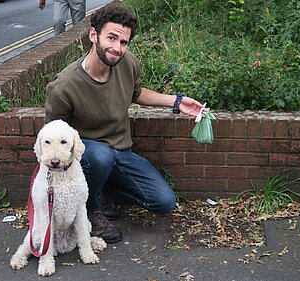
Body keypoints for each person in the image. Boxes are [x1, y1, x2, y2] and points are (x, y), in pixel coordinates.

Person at [44, 4, 206, 243]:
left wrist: (178, 101)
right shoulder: (64, 86)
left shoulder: (127, 62)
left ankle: (102, 186)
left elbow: (136, 93)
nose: (117, 48)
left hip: (121, 152)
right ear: (93, 35)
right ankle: (90, 211)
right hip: (87, 156)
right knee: (100, 157)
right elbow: (51, 136)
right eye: (111, 38)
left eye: (124, 42)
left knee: (163, 202)